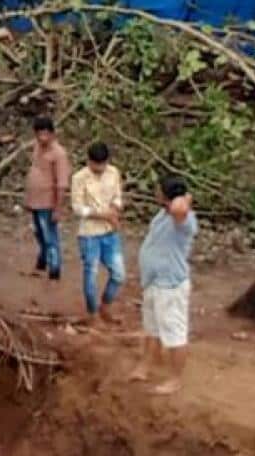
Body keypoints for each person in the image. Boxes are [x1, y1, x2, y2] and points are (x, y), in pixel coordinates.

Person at [131, 176, 197, 396]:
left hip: (170, 285)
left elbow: (180, 208)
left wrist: (184, 198)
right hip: (154, 282)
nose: (155, 192)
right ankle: (145, 365)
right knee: (151, 327)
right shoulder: (163, 214)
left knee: (174, 333)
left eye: (159, 190)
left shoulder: (184, 220)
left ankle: (175, 379)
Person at [70, 142, 125, 324]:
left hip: (110, 231)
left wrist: (114, 210)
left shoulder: (113, 172)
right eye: (95, 164)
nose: (99, 168)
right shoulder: (79, 178)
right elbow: (77, 207)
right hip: (89, 233)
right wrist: (102, 215)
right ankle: (92, 312)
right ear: (89, 161)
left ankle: (105, 305)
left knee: (118, 274)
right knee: (91, 273)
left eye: (102, 164)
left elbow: (117, 196)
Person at [24, 116, 72, 280]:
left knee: (50, 237)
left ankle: (54, 270)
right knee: (39, 233)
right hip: (35, 200)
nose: (41, 138)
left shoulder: (59, 154)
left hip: (48, 202)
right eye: (38, 134)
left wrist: (57, 208)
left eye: (45, 134)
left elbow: (62, 183)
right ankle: (42, 262)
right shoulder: (37, 147)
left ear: (52, 134)